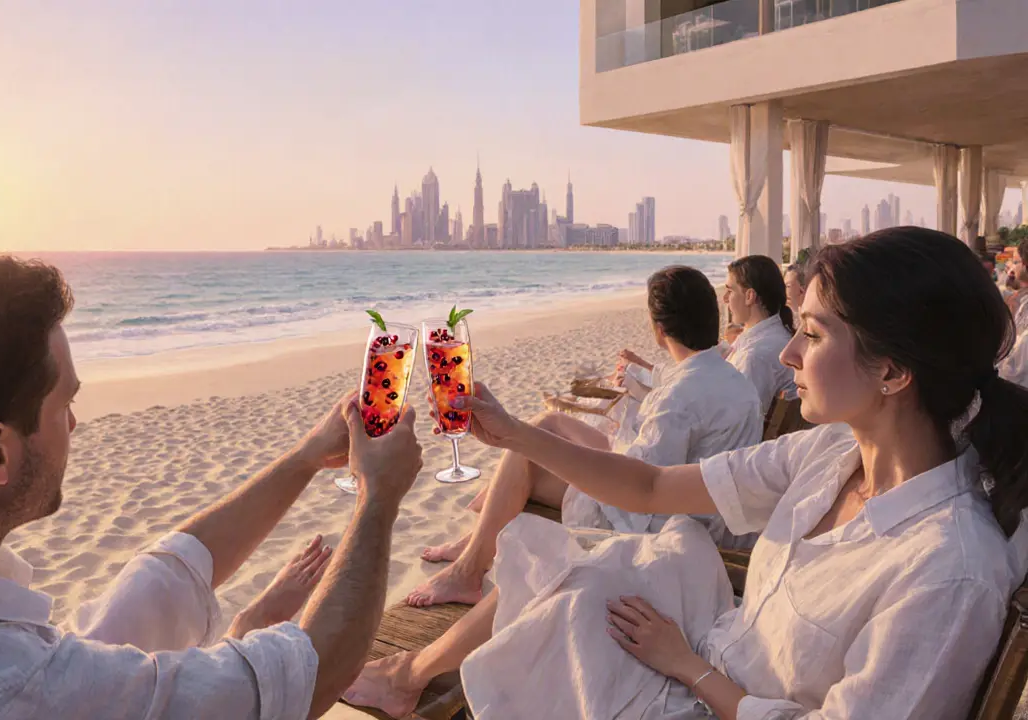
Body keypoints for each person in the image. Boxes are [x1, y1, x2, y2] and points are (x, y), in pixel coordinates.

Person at [345, 227, 1028, 719]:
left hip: (712, 688)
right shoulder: (830, 456)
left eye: (814, 334)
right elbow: (648, 487)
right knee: (581, 582)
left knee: (575, 609)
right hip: (714, 646)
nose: (787, 353)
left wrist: (689, 669)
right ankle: (411, 680)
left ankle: (412, 680)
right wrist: (513, 433)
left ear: (894, 371)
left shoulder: (948, 572)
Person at [0, 253, 425, 720]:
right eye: (63, 402)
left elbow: (150, 594)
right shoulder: (4, 690)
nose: (74, 421)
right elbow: (307, 674)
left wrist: (304, 459)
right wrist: (379, 499)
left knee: (139, 600)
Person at [404, 266, 762, 608]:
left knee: (524, 450)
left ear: (658, 330)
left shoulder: (680, 395)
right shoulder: (730, 378)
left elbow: (640, 482)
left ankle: (467, 571)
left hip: (666, 516)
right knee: (550, 421)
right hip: (700, 496)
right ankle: (475, 541)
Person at [722, 255, 799, 411]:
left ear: (750, 296)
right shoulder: (778, 336)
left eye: (730, 291)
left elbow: (739, 419)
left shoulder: (755, 356)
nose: (724, 298)